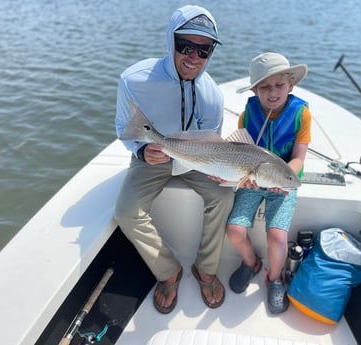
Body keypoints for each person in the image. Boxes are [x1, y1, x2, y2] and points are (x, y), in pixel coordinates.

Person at [114, 5, 233, 314]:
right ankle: (169, 272)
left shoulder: (213, 96)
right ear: (171, 41)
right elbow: (122, 128)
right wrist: (141, 151)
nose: (194, 57)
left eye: (203, 50)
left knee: (223, 195)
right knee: (126, 212)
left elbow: (213, 143)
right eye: (186, 46)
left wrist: (220, 170)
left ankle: (205, 268)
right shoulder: (134, 80)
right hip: (151, 156)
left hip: (196, 159)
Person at [226, 52, 311, 314]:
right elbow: (238, 155)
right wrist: (243, 177)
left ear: (291, 85)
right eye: (264, 86)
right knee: (234, 231)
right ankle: (251, 262)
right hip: (252, 179)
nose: (272, 92)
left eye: (279, 85)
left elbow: (298, 158)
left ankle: (275, 279)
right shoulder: (246, 115)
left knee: (277, 236)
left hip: (285, 181)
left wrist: (282, 180)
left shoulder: (301, 114)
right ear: (254, 89)